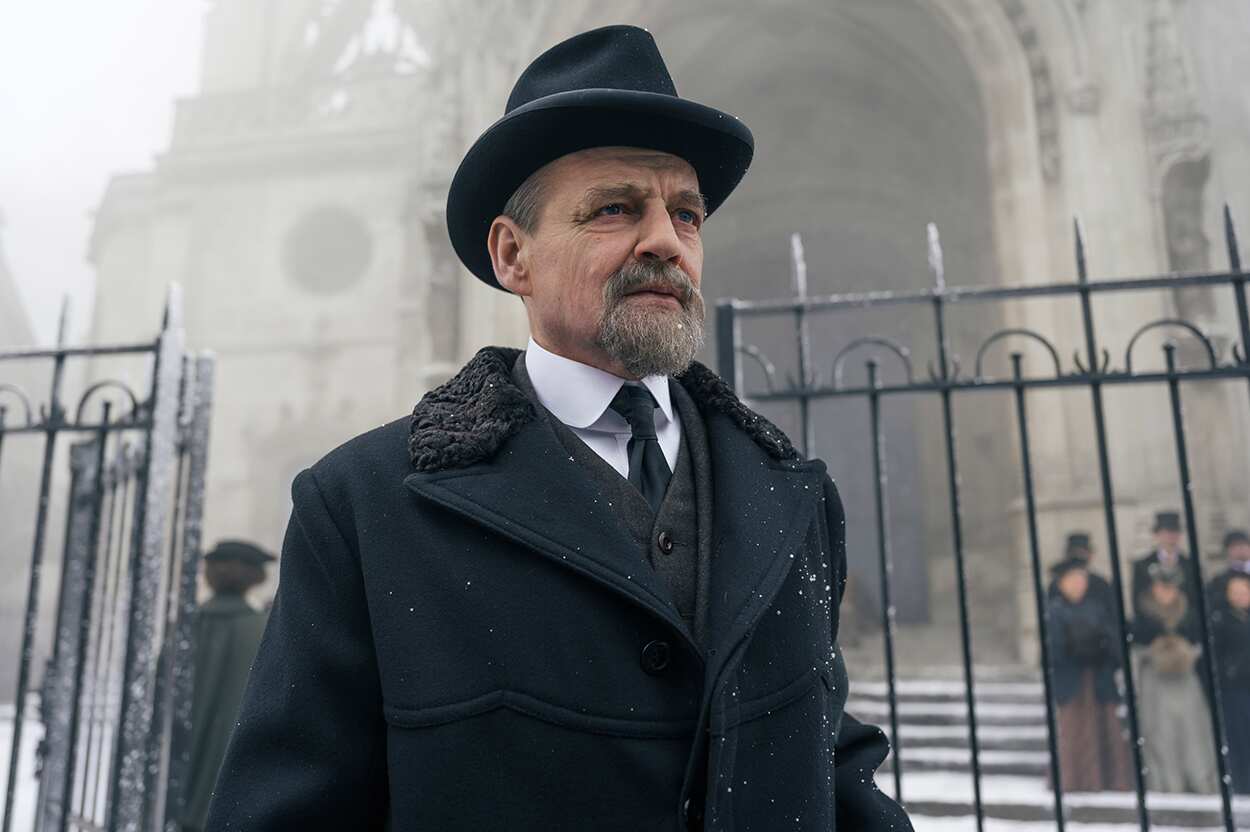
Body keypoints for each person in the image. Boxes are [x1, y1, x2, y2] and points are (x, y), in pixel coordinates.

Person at [206, 25, 911, 831]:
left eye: (687, 214)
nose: (665, 241)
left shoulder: (791, 499)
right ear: (513, 257)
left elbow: (826, 764)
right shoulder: (364, 509)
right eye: (614, 209)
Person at [177, 540, 274, 832]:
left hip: (180, 760)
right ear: (255, 578)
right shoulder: (262, 629)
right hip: (234, 773)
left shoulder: (185, 628)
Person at [1046, 556, 1132, 792]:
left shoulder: (1098, 608)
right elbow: (1053, 650)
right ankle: (1075, 781)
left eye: (1081, 579)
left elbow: (1114, 643)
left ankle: (1108, 780)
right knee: (1076, 731)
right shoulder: (1054, 611)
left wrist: (1102, 651)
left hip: (1099, 678)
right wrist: (1078, 650)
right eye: (1072, 580)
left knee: (1107, 730)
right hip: (1073, 681)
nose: (1078, 584)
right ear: (1062, 583)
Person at [1132, 564, 1218, 794]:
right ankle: (1167, 785)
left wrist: (1185, 653)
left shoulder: (1189, 614)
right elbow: (1135, 647)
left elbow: (1201, 643)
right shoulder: (1143, 616)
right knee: (1160, 734)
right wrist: (1156, 652)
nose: (1166, 592)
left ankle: (1199, 782)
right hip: (1155, 683)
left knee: (1193, 732)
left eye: (1170, 588)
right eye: (1162, 587)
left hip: (1186, 681)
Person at [1210, 571, 1250, 794]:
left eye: (1245, 591)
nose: (1241, 596)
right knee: (1239, 738)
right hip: (1235, 688)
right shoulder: (1221, 620)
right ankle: (1242, 784)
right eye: (1235, 592)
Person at [1131, 510, 1197, 618]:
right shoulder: (1142, 565)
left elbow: (1195, 601)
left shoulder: (1191, 565)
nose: (1171, 537)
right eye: (1166, 532)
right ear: (1156, 535)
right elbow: (1137, 603)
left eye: (1175, 532)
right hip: (1152, 625)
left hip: (1186, 625)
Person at [1047, 532, 1116, 615]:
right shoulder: (1057, 585)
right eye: (1075, 553)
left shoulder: (1100, 584)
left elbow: (1111, 614)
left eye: (1081, 553)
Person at [1206, 529, 1250, 607]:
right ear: (1227, 551)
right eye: (1235, 546)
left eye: (1243, 545)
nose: (1240, 549)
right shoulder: (1219, 581)